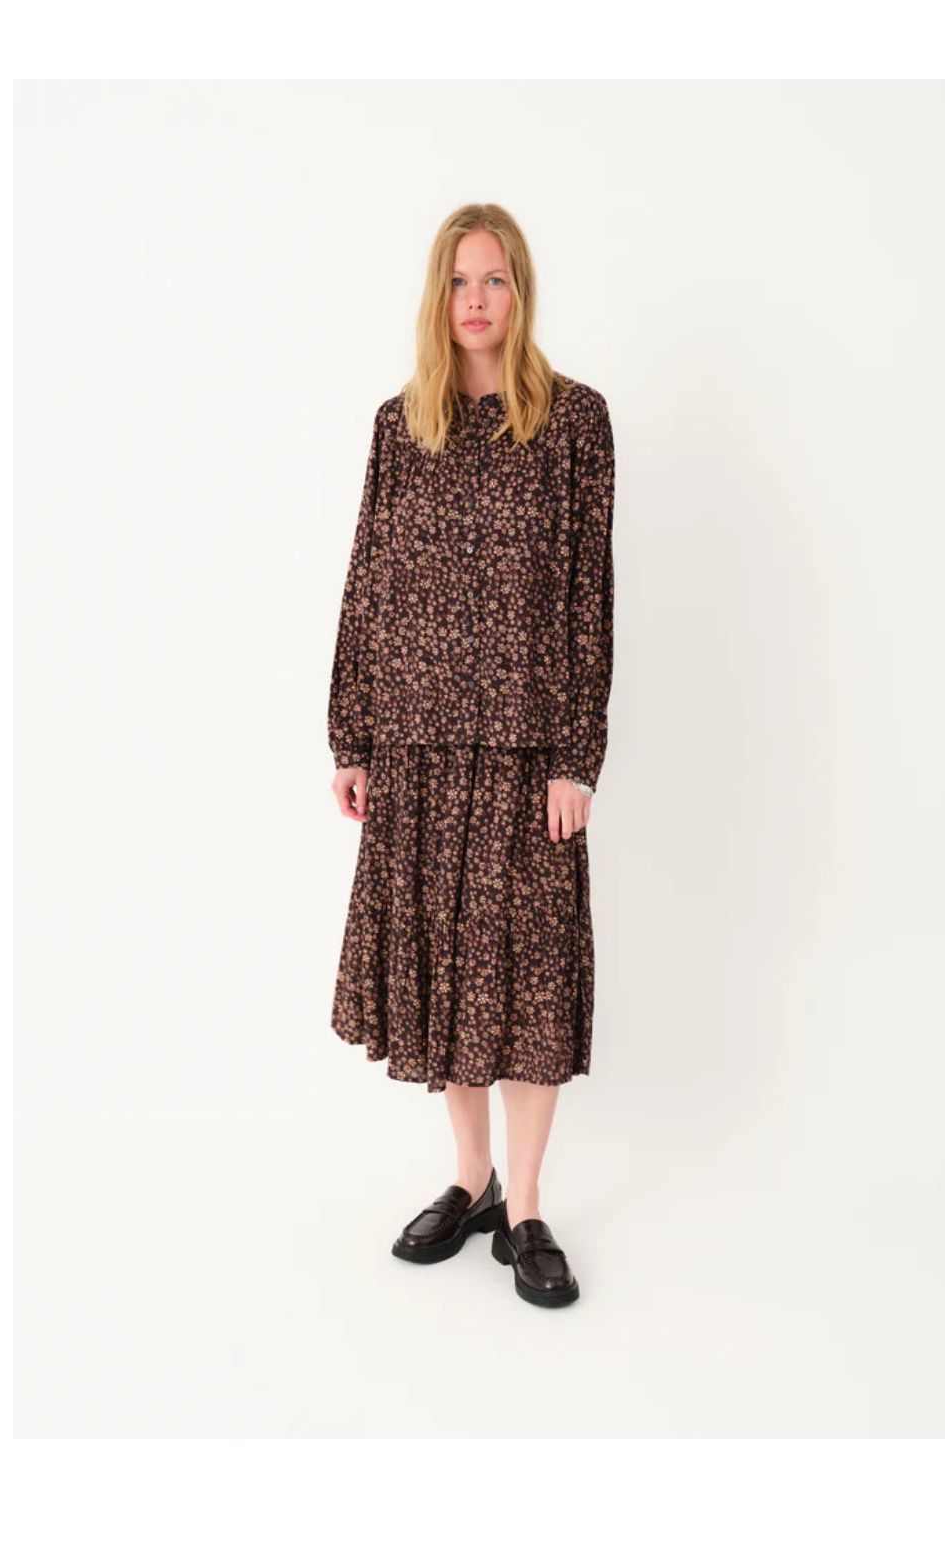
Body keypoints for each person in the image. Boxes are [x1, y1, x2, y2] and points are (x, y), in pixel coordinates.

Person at [327, 202, 615, 1308]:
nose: (477, 300)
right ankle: (472, 1178)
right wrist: (353, 731)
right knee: (448, 975)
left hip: (528, 747)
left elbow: (588, 595)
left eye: (494, 279)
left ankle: (527, 1205)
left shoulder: (575, 422)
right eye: (459, 281)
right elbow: (367, 578)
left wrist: (577, 755)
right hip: (417, 740)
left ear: (520, 290)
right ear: (438, 297)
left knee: (529, 978)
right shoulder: (401, 425)